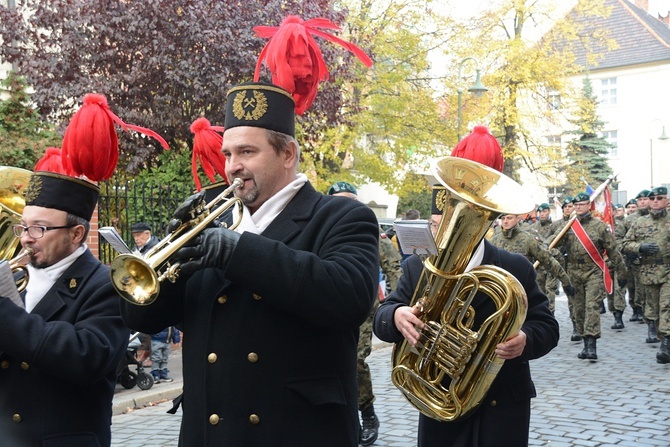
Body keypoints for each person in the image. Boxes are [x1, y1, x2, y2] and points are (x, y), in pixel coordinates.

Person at [120, 81, 380, 446]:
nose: (232, 167)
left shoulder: (340, 216)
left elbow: (347, 297)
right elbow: (140, 319)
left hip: (296, 433)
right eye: (227, 154)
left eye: (246, 152)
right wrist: (169, 257)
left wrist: (238, 252)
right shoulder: (214, 223)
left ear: (287, 153)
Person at [374, 126, 559, 447]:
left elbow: (547, 326)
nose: (442, 230)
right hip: (440, 405)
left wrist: (526, 340)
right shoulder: (418, 266)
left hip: (503, 406)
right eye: (437, 223)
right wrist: (398, 316)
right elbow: (382, 317)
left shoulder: (515, 267)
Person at [0, 170, 129, 446]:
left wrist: (4, 313)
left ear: (76, 233)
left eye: (39, 228)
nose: (25, 238)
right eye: (22, 227)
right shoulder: (14, 276)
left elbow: (87, 357)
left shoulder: (106, 284)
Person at [327, 181, 402, 446]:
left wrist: (394, 304)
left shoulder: (369, 231)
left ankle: (367, 415)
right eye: (339, 199)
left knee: (355, 361)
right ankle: (342, 418)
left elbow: (394, 267)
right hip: (326, 306)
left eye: (350, 199)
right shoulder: (321, 227)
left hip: (363, 308)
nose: (345, 204)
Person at [556, 192, 625, 360]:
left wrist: (621, 272)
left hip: (593, 270)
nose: (578, 207)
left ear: (589, 205)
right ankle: (584, 341)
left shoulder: (599, 226)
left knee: (592, 306)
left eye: (581, 204)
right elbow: (554, 242)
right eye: (575, 205)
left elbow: (613, 250)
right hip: (573, 270)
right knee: (578, 308)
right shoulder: (568, 225)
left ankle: (592, 344)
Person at [622, 186, 670, 362]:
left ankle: (666, 344)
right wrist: (639, 247)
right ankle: (661, 335)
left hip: (668, 271)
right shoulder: (639, 222)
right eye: (653, 198)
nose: (655, 201)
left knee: (667, 306)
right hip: (648, 273)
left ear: (667, 200)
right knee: (654, 310)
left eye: (660, 198)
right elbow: (625, 244)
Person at [490, 213, 575, 305]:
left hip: (522, 291)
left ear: (518, 219)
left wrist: (566, 282)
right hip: (501, 291)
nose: (505, 221)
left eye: (509, 218)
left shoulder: (527, 239)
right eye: (503, 219)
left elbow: (548, 260)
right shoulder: (494, 240)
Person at [618, 190, 651, 323]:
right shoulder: (629, 220)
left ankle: (648, 314)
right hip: (633, 260)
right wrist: (629, 250)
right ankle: (636, 309)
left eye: (645, 199)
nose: (642, 201)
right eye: (640, 199)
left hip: (656, 263)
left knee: (648, 290)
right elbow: (619, 239)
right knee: (633, 287)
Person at [530, 203, 561, 313]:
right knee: (540, 291)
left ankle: (550, 313)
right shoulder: (533, 228)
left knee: (550, 289)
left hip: (550, 263)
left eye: (544, 212)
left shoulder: (555, 226)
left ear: (549, 212)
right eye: (540, 212)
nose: (542, 214)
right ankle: (542, 313)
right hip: (538, 265)